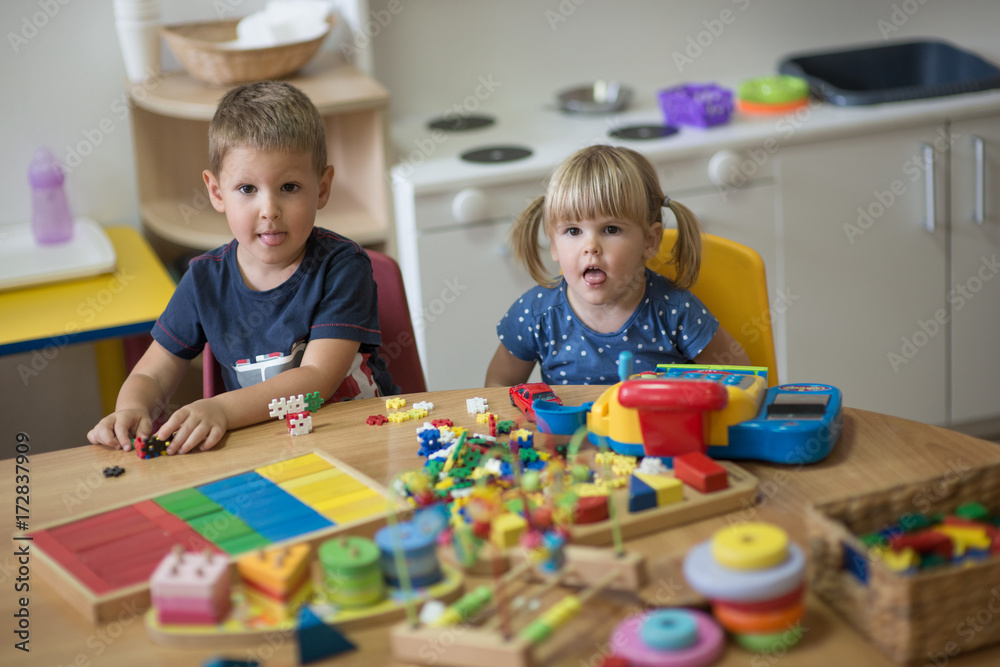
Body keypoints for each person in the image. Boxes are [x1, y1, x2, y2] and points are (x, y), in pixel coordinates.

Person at [88, 81, 395, 455]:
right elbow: (152, 371)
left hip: (360, 439)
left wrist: (219, 408)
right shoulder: (204, 281)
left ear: (323, 187)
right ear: (217, 192)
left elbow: (316, 380)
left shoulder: (343, 267)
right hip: (265, 452)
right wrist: (132, 410)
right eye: (247, 189)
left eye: (290, 186)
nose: (269, 210)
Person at [485, 144, 750, 387]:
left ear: (649, 241)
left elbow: (741, 379)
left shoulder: (674, 312)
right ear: (554, 245)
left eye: (610, 229)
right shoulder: (535, 315)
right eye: (573, 231)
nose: (591, 246)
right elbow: (497, 387)